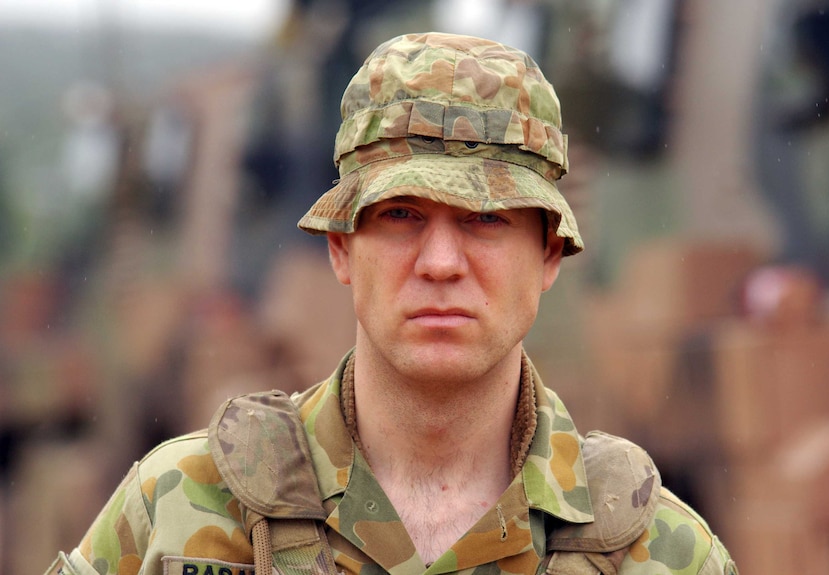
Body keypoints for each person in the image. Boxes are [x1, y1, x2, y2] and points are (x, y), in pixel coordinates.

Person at [44, 32, 737, 575]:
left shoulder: (661, 550)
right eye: (401, 214)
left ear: (551, 252)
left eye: (487, 218)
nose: (440, 263)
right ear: (340, 247)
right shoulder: (176, 505)